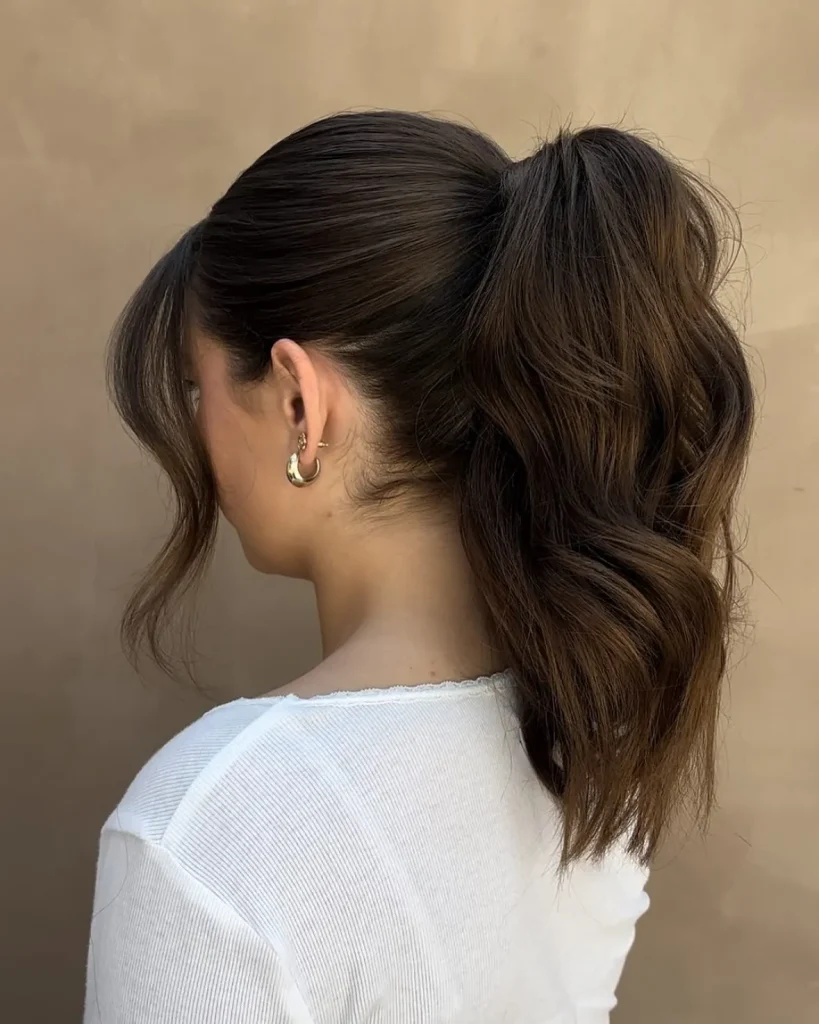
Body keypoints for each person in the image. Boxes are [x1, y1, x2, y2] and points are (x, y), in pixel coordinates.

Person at [85, 111, 754, 1023]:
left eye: (198, 386)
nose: (195, 426)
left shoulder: (212, 828)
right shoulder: (593, 732)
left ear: (298, 404)